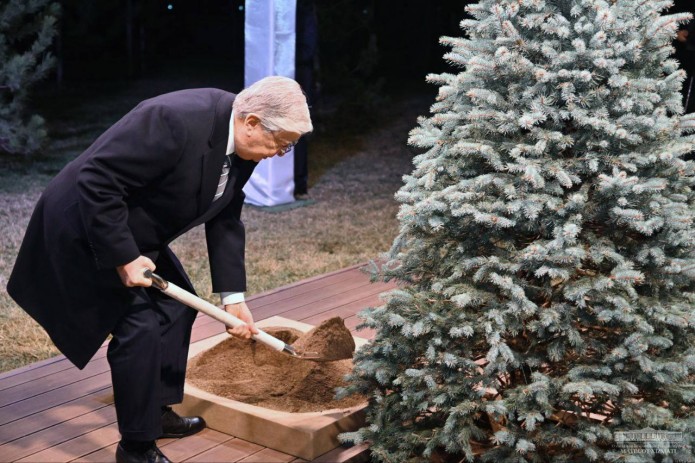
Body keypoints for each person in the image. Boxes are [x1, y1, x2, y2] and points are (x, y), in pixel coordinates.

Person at [6, 76, 312, 463]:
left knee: (177, 308)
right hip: (85, 225)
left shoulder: (242, 144)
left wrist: (233, 299)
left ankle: (155, 412)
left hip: (132, 228)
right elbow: (97, 180)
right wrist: (123, 257)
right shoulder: (173, 120)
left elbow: (226, 217)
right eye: (282, 143)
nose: (281, 153)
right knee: (140, 327)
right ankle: (136, 447)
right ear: (252, 121)